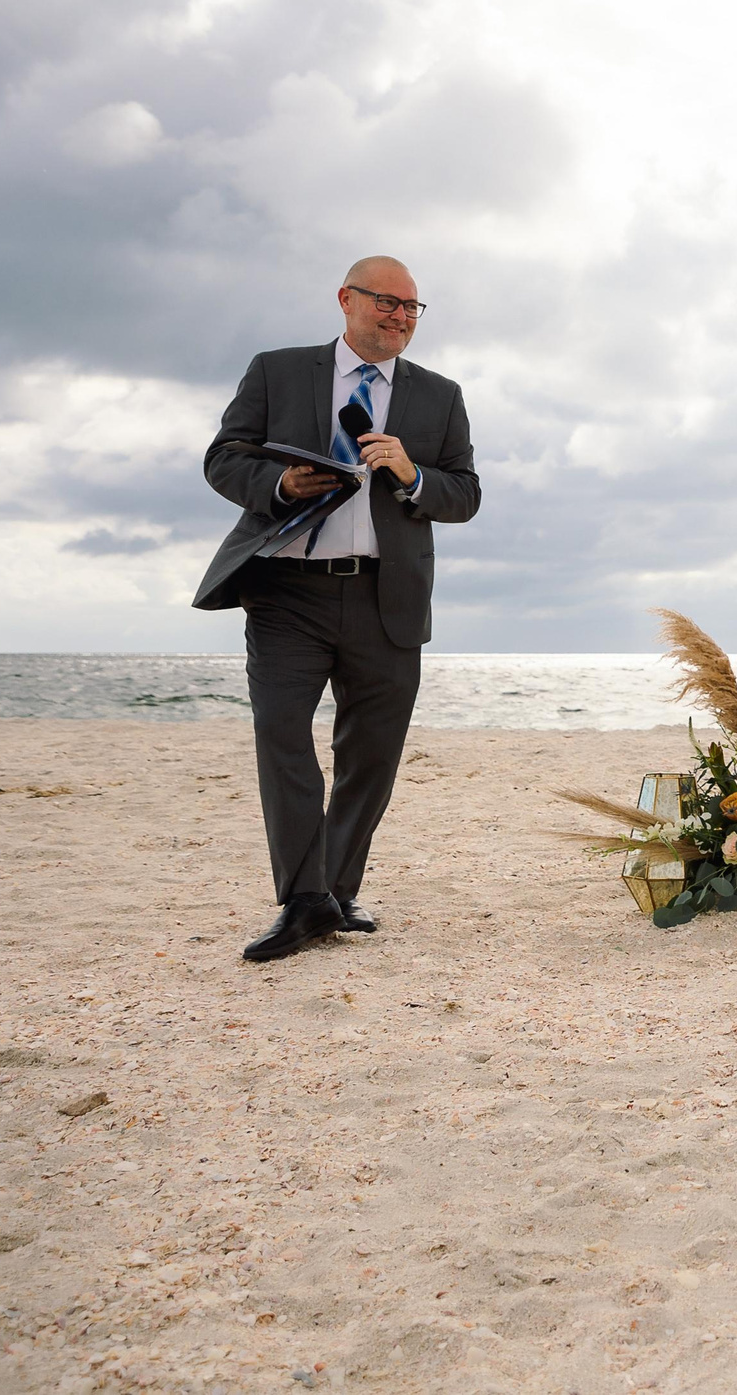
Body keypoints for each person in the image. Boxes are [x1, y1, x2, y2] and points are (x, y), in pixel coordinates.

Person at [194, 257, 481, 963]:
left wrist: (414, 476)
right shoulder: (277, 370)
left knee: (369, 756)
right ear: (347, 299)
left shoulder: (439, 396)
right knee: (281, 733)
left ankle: (335, 892)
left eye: (414, 308)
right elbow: (223, 458)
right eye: (388, 302)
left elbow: (465, 494)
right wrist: (281, 481)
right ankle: (302, 900)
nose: (401, 316)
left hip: (388, 595)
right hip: (287, 592)